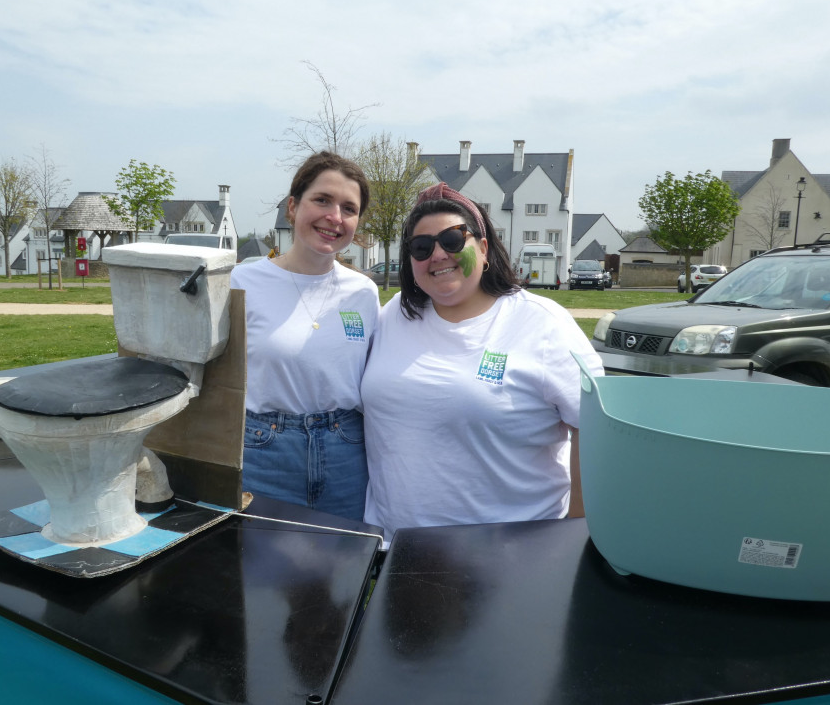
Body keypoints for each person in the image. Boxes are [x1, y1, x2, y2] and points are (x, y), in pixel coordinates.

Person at [361, 182, 604, 541]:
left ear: (484, 247)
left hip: (507, 556)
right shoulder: (394, 315)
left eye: (453, 239)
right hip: (393, 546)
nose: (439, 255)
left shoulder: (541, 322)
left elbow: (596, 425)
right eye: (422, 247)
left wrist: (577, 533)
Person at [231, 151, 379, 520]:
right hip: (265, 452)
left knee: (342, 568)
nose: (335, 217)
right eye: (322, 200)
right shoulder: (241, 284)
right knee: (262, 569)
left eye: (349, 208)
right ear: (293, 207)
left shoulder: (363, 292)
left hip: (346, 452)